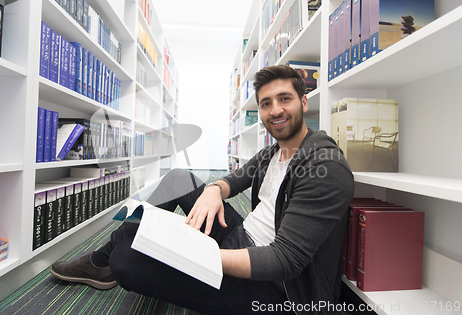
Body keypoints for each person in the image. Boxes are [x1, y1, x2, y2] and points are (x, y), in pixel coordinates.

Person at [50, 65, 354, 314]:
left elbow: (283, 261)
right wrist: (213, 191)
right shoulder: (274, 151)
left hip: (274, 289)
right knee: (178, 178)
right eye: (266, 103)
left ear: (303, 102)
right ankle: (104, 259)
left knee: (125, 261)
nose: (275, 110)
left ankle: (104, 261)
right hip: (241, 236)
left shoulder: (324, 168)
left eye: (284, 99)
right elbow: (233, 181)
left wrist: (196, 252)